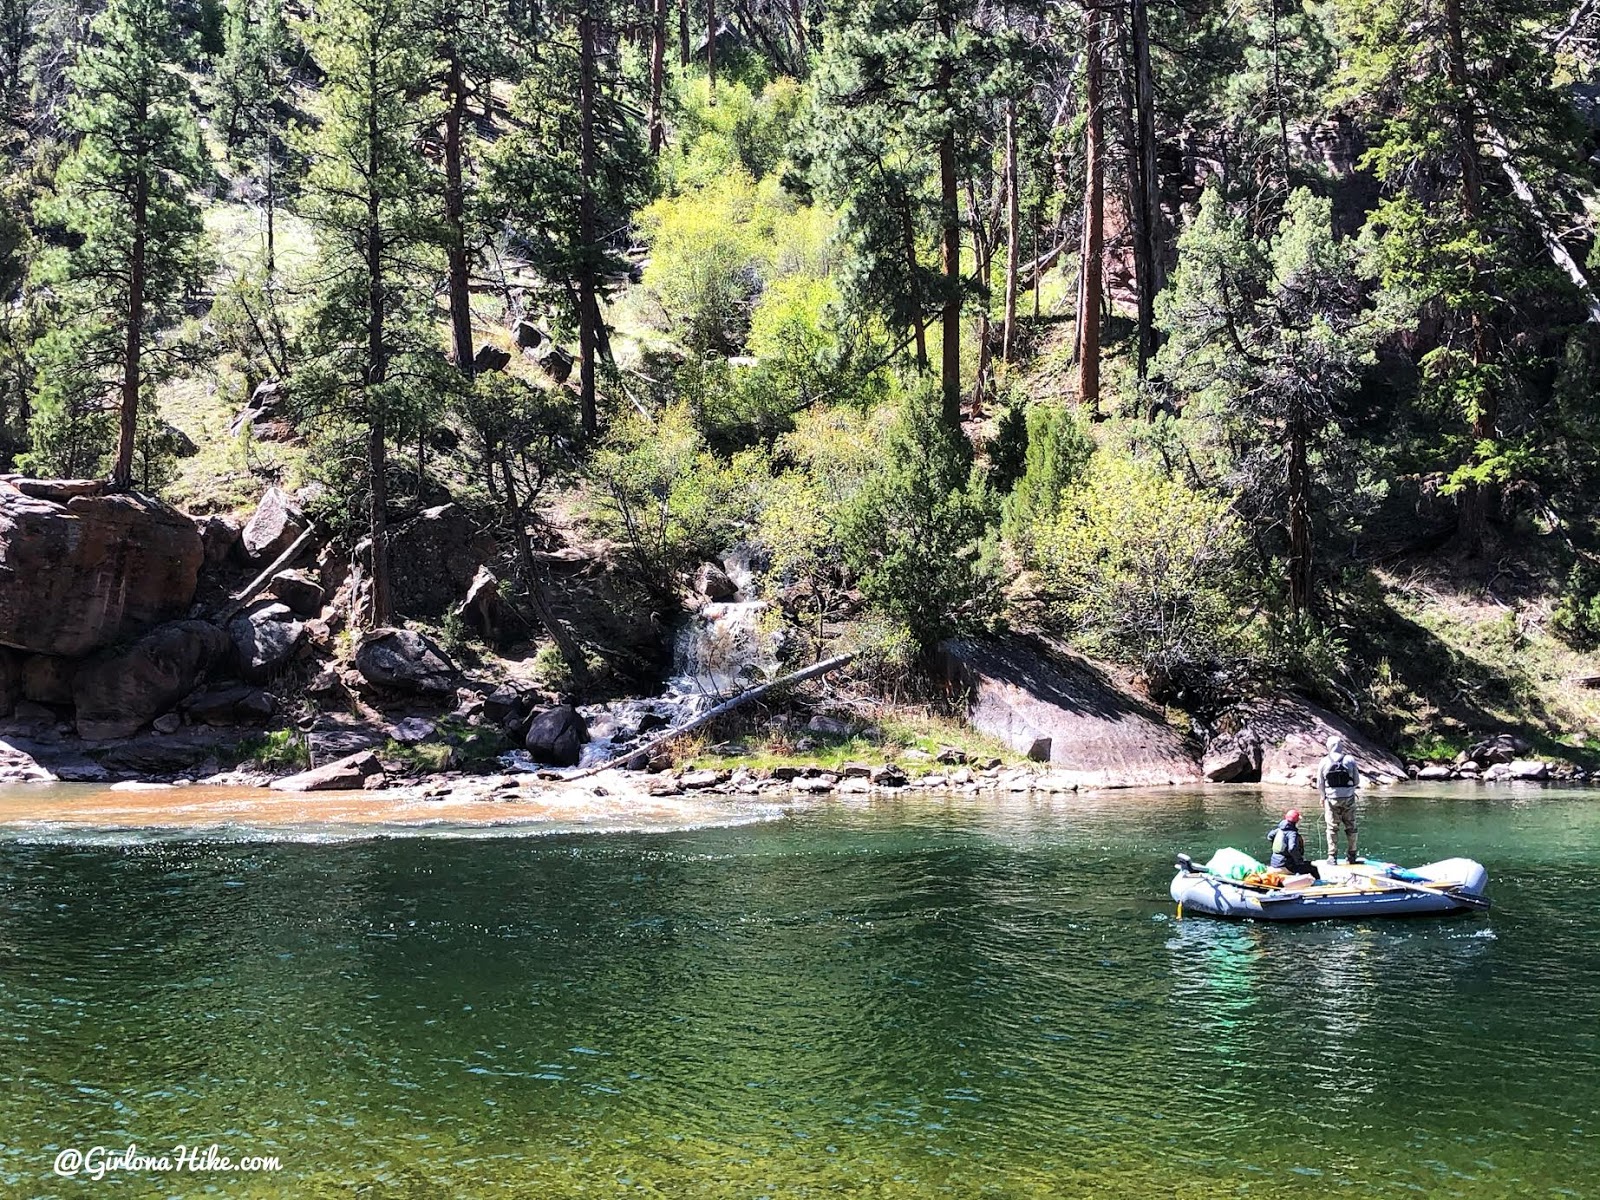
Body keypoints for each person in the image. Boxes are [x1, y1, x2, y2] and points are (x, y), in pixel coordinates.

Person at [1318, 735, 1361, 864]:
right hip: (1348, 798)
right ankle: (1352, 855)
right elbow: (1357, 780)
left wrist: (1322, 796)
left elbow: (1320, 783)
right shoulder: (1350, 760)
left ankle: (1332, 857)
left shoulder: (1324, 761)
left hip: (1331, 800)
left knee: (1332, 828)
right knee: (1351, 826)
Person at [1267, 808, 1319, 878]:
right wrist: (1299, 861)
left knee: (1306, 864)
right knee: (1313, 869)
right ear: (1296, 821)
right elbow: (1292, 849)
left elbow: (1269, 837)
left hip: (1274, 863)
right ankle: (1318, 884)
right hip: (1286, 866)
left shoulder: (1278, 830)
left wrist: (1280, 844)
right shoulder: (1292, 834)